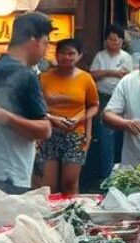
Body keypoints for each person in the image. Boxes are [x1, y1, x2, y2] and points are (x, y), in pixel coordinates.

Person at [0, 13, 55, 195]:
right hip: (9, 172)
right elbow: (44, 130)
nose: (45, 51)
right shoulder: (24, 74)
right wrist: (7, 118)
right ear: (32, 40)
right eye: (45, 43)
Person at [36, 38, 100, 196]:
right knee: (48, 186)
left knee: (70, 183)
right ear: (56, 55)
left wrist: (80, 119)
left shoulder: (85, 78)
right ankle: (48, 218)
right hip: (49, 134)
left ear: (79, 56)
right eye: (63, 53)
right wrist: (51, 118)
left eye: (71, 53)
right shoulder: (44, 77)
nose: (67, 57)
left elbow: (94, 105)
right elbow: (36, 107)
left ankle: (71, 216)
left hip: (75, 135)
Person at [90, 24, 136, 175]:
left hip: (122, 100)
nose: (114, 42)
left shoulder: (126, 57)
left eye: (117, 40)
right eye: (110, 39)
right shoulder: (100, 56)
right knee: (105, 139)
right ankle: (106, 175)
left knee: (122, 138)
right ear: (105, 41)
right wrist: (112, 72)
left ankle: (122, 173)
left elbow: (128, 77)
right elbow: (93, 75)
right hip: (104, 99)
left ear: (122, 41)